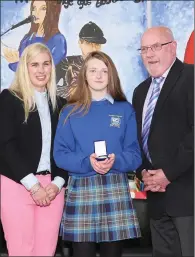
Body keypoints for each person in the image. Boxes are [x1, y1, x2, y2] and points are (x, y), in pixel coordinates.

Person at [53, 51, 142, 257]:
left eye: (104, 71)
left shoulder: (124, 109)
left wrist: (115, 161)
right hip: (82, 187)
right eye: (93, 70)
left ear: (112, 75)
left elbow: (135, 154)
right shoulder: (69, 111)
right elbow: (60, 154)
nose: (99, 75)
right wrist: (87, 163)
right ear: (84, 74)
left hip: (115, 186)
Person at [0, 43, 68, 256]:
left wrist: (57, 184)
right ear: (24, 67)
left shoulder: (62, 104)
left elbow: (67, 149)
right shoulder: (9, 99)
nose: (41, 70)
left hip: (52, 190)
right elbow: (6, 145)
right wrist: (33, 186)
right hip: (17, 185)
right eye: (35, 64)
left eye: (46, 64)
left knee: (46, 252)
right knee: (21, 251)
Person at [132, 26, 194, 257]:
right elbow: (137, 140)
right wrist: (143, 174)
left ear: (173, 47)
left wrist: (168, 173)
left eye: (156, 46)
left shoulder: (191, 77)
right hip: (156, 197)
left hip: (188, 196)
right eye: (144, 49)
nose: (149, 54)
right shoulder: (140, 91)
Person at [2, 0, 67, 72]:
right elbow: (19, 64)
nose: (36, 13)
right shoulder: (27, 38)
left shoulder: (58, 40)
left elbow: (47, 69)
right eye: (34, 8)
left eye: (43, 8)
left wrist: (18, 63)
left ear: (52, 11)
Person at [56, 21, 106, 98]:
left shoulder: (106, 66)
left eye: (97, 44)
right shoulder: (67, 63)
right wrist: (70, 90)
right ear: (80, 43)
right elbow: (52, 89)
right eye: (88, 44)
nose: (93, 48)